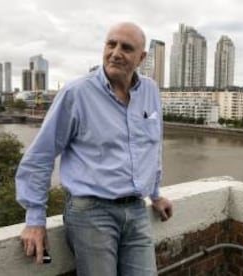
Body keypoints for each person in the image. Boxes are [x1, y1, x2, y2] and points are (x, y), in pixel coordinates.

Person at [16, 22, 173, 275]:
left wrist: (155, 193)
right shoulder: (76, 93)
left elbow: (151, 146)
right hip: (91, 213)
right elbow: (40, 156)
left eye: (126, 47)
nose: (116, 53)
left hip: (136, 209)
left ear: (141, 57)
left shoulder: (150, 91)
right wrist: (35, 219)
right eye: (111, 44)